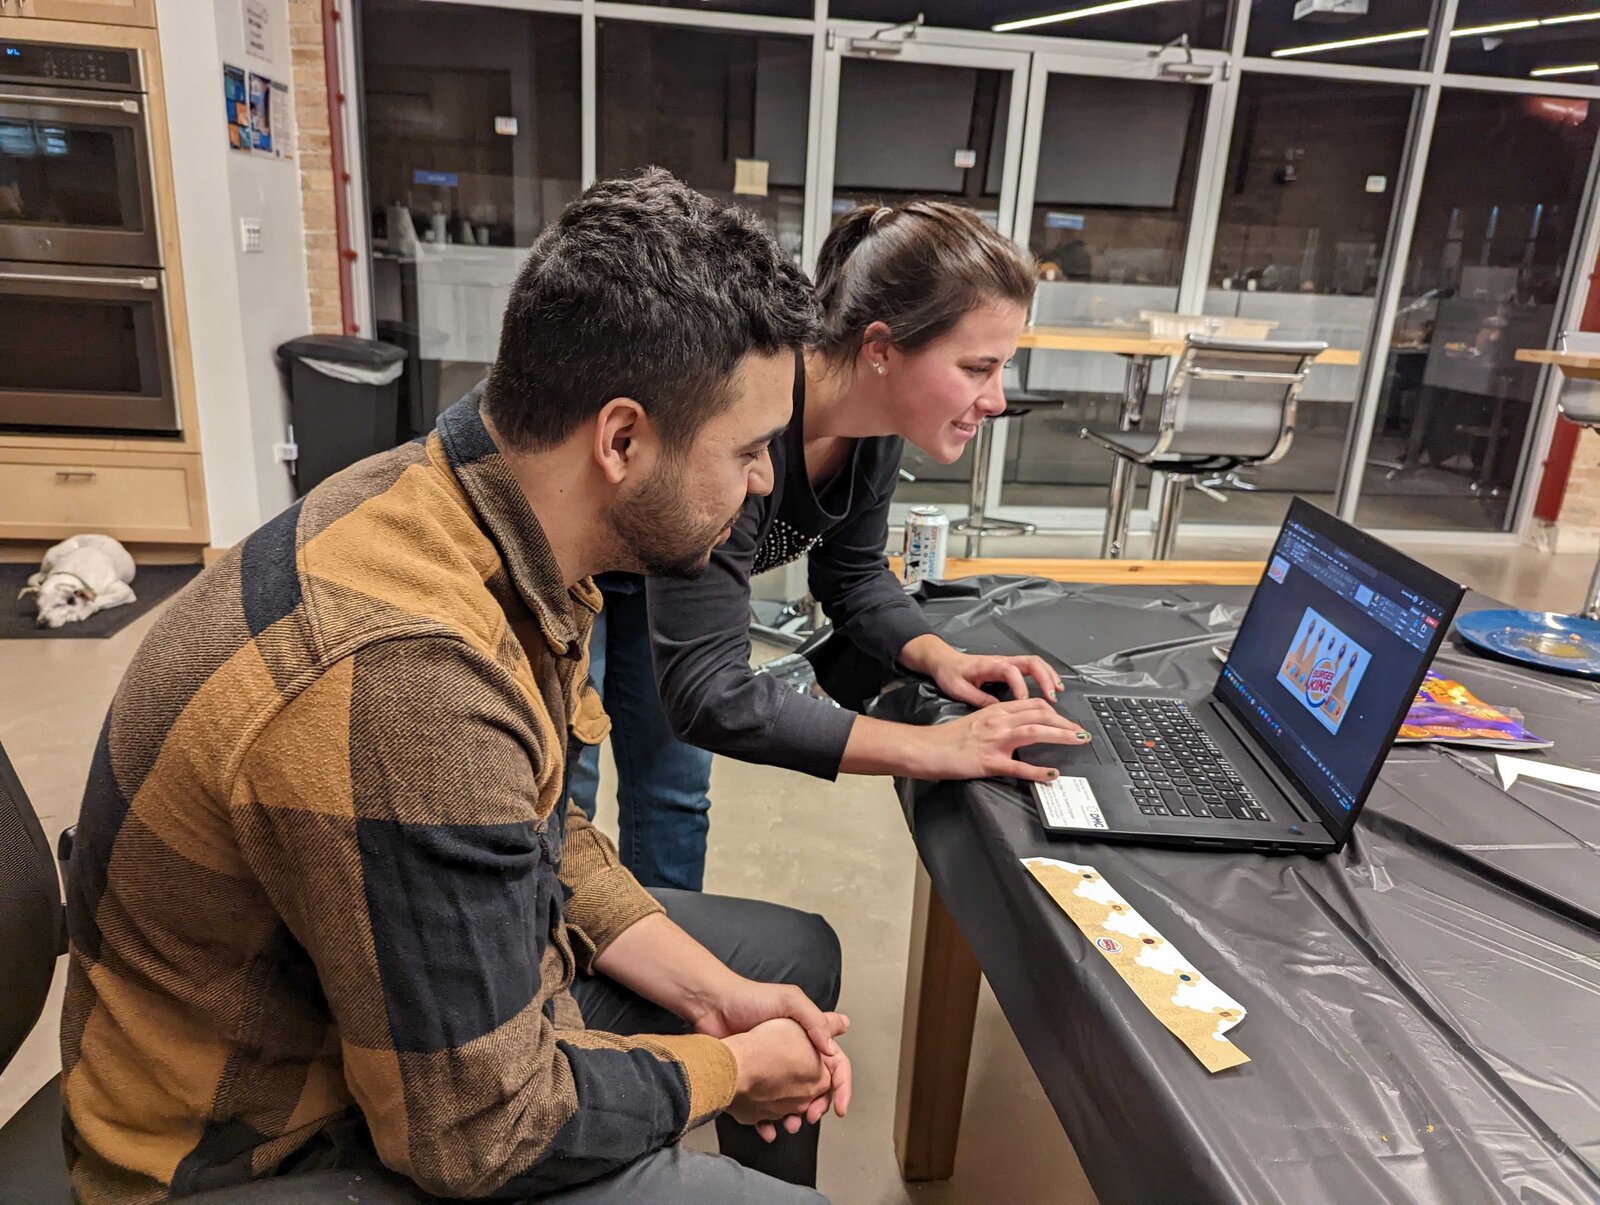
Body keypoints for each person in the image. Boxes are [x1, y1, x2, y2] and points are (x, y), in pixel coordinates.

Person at [59, 171, 851, 1204]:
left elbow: (542, 827)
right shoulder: (410, 677)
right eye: (747, 449)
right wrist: (733, 1068)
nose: (760, 484)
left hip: (391, 1025)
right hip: (258, 1144)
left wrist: (722, 998)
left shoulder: (481, 509)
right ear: (620, 439)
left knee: (790, 961)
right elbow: (481, 1130)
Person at [646, 202, 1091, 884]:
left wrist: (942, 657)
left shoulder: (873, 425)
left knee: (673, 795)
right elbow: (712, 693)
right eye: (977, 368)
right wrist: (930, 747)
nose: (998, 399)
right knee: (559, 790)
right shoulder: (739, 418)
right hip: (591, 574)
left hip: (668, 575)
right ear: (881, 347)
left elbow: (851, 574)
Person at [569, 571, 715, 892]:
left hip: (669, 565)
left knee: (676, 795)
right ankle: (555, 932)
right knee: (562, 796)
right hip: (559, 562)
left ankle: (665, 926)